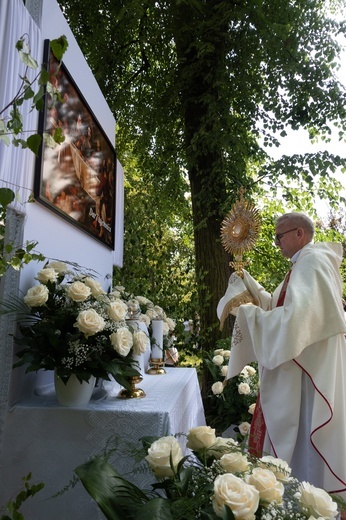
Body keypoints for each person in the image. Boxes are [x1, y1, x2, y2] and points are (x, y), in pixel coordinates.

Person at [218, 212, 346, 498]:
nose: (277, 243)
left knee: (303, 445)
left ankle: (307, 501)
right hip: (302, 370)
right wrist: (247, 284)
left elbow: (293, 324)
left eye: (280, 236)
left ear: (299, 234)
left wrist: (249, 316)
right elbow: (279, 307)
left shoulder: (311, 263)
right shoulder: (303, 265)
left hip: (306, 377)